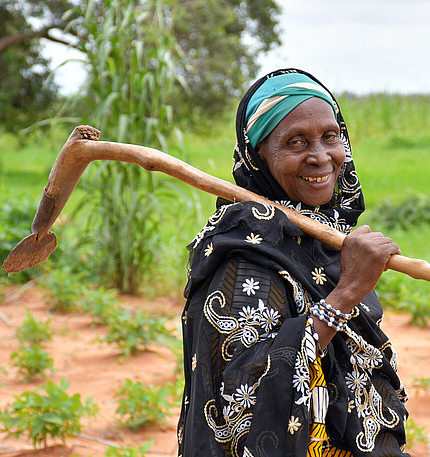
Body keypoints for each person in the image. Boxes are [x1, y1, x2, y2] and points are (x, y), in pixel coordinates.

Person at [176, 69, 409, 457]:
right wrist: (348, 293)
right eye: (295, 142)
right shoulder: (245, 259)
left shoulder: (326, 238)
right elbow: (244, 407)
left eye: (330, 137)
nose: (320, 158)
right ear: (259, 155)